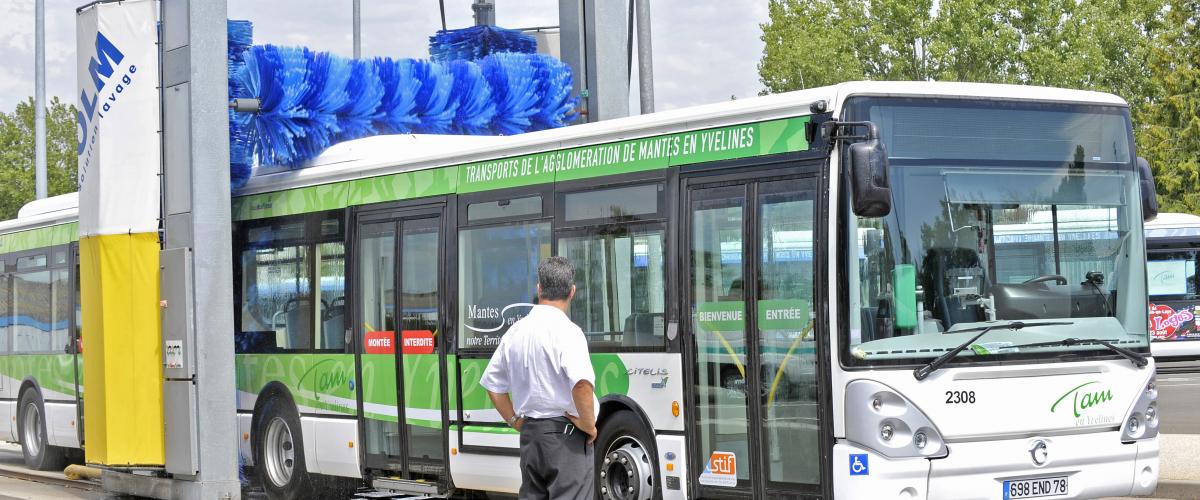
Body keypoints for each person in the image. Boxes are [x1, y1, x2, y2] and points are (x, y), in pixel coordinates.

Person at [480, 256, 598, 499]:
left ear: (539, 288)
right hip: (566, 437)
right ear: (572, 291)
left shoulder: (515, 332)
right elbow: (582, 385)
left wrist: (515, 421)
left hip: (531, 435)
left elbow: (493, 385)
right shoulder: (569, 332)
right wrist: (588, 424)